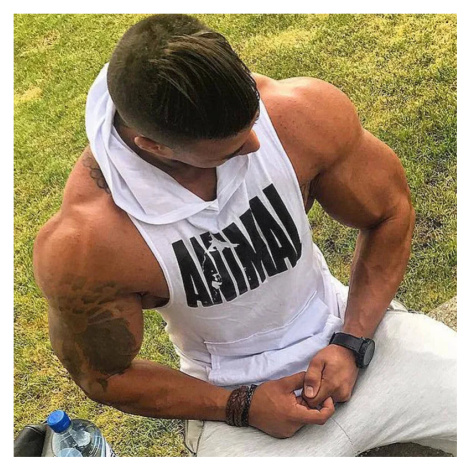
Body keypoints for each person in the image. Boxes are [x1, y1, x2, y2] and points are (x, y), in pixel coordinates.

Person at [33, 14, 456, 456]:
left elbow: (390, 212)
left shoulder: (299, 115)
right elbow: (102, 375)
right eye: (231, 149)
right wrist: (241, 406)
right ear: (154, 147)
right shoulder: (86, 243)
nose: (256, 144)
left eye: (254, 121)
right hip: (230, 391)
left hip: (349, 331)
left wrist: (351, 341)